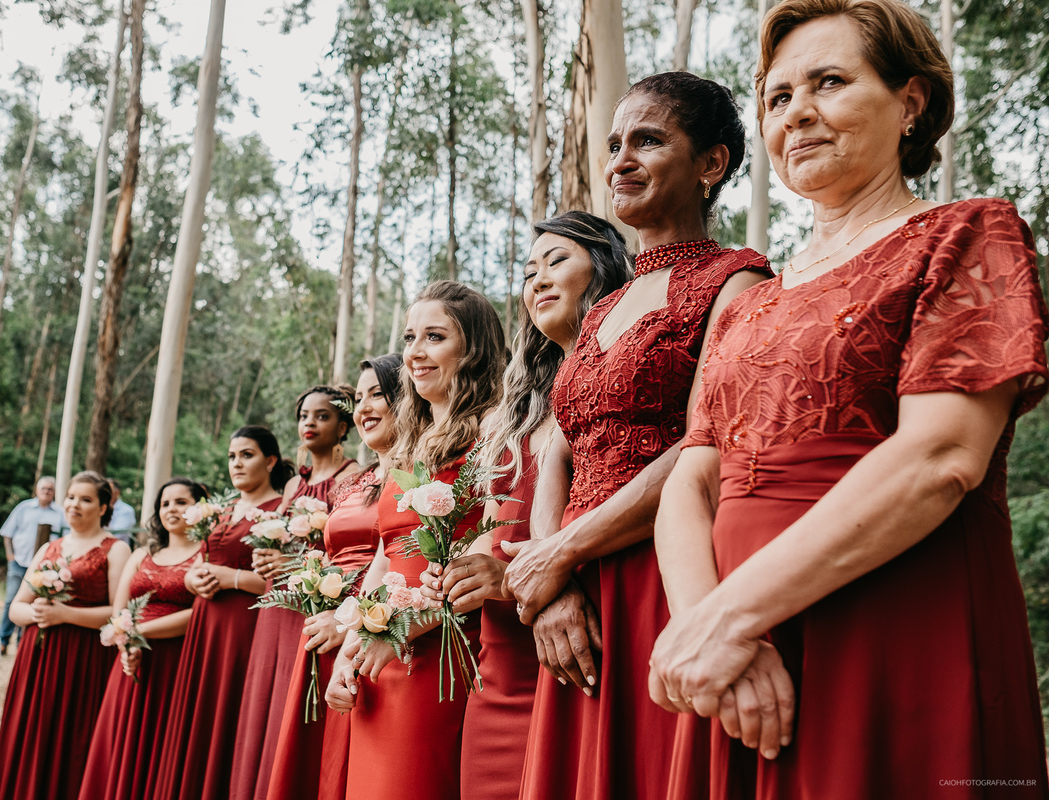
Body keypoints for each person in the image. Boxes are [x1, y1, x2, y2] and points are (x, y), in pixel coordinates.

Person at [648, 1, 1049, 797]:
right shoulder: (754, 298)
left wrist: (732, 618)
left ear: (910, 103)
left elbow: (941, 457)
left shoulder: (966, 233)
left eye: (828, 82)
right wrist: (706, 628)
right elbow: (692, 479)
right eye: (777, 97)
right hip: (736, 658)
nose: (797, 112)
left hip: (895, 624)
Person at [501, 72, 772, 799]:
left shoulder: (738, 281)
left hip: (663, 570)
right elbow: (559, 447)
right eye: (615, 143)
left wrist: (562, 551)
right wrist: (550, 583)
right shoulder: (603, 308)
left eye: (647, 140)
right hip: (574, 592)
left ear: (710, 164)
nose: (619, 159)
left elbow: (706, 442)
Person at [419, 212, 632, 800]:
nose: (536, 280)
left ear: (607, 268)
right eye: (528, 270)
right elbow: (494, 525)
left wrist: (515, 577)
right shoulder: (511, 415)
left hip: (589, 632)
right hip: (505, 654)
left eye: (557, 260)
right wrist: (468, 573)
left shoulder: (626, 385)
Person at [327, 280, 507, 800]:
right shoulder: (411, 442)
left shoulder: (494, 431)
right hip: (382, 649)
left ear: (472, 348)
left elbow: (488, 547)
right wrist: (354, 640)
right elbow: (387, 551)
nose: (415, 353)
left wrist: (397, 632)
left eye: (434, 336)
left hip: (445, 649)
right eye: (410, 337)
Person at [267, 354, 402, 800]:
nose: (362, 407)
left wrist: (345, 621)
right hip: (323, 628)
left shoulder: (411, 473)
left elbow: (394, 560)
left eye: (376, 395)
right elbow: (329, 551)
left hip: (369, 628)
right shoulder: (358, 483)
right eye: (357, 398)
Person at [154, 426, 294, 800]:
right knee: (198, 721)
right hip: (205, 625)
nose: (237, 463)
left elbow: (281, 580)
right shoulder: (222, 510)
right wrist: (193, 581)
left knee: (229, 717)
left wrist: (231, 578)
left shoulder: (281, 509)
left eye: (246, 455)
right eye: (232, 457)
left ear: (270, 460)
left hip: (244, 626)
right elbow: (199, 562)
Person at [235, 385, 358, 800]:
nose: (310, 422)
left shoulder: (355, 477)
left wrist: (295, 564)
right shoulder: (291, 488)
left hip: (316, 600)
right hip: (277, 601)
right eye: (304, 415)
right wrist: (266, 557)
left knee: (296, 694)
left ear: (344, 426)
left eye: (322, 416)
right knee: (266, 694)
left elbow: (348, 548)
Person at [0, 470, 132, 800]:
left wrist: (66, 614)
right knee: (34, 733)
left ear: (103, 507)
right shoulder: (49, 549)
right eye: (70, 497)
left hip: (85, 659)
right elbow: (16, 608)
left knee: (75, 735)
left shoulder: (115, 549)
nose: (74, 505)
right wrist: (37, 614)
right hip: (38, 657)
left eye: (85, 499)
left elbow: (118, 613)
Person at [79, 477, 207, 800]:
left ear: (200, 508)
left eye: (181, 502)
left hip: (179, 664)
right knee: (124, 746)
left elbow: (203, 617)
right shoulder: (142, 555)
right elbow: (119, 614)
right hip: (132, 664)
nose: (171, 509)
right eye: (165, 504)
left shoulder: (207, 556)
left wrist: (141, 632)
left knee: (165, 746)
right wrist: (126, 646)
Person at [0, 476, 65, 655]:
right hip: (19, 563)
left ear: (54, 492)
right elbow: (7, 533)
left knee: (33, 604)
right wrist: (10, 556)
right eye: (43, 488)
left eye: (50, 489)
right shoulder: (23, 508)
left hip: (45, 569)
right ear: (37, 490)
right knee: (12, 601)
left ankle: (22, 644)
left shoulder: (60, 513)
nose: (46, 492)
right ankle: (2, 640)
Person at [107, 478, 139, 546]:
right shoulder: (98, 509)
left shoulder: (127, 510)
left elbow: (117, 534)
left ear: (117, 492)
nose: (106, 493)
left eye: (109, 490)